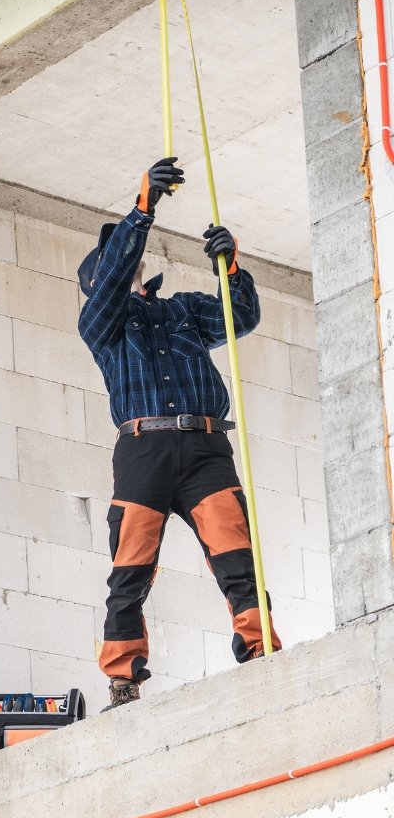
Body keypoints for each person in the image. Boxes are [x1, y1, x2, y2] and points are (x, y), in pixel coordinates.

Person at [77, 157, 281, 710]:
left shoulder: (183, 311)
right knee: (130, 568)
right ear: (98, 283)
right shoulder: (100, 323)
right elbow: (117, 271)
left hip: (205, 448)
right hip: (144, 450)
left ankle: (260, 649)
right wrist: (142, 210)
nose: (127, 266)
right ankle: (124, 679)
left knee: (236, 552)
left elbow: (241, 318)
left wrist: (231, 269)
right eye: (114, 264)